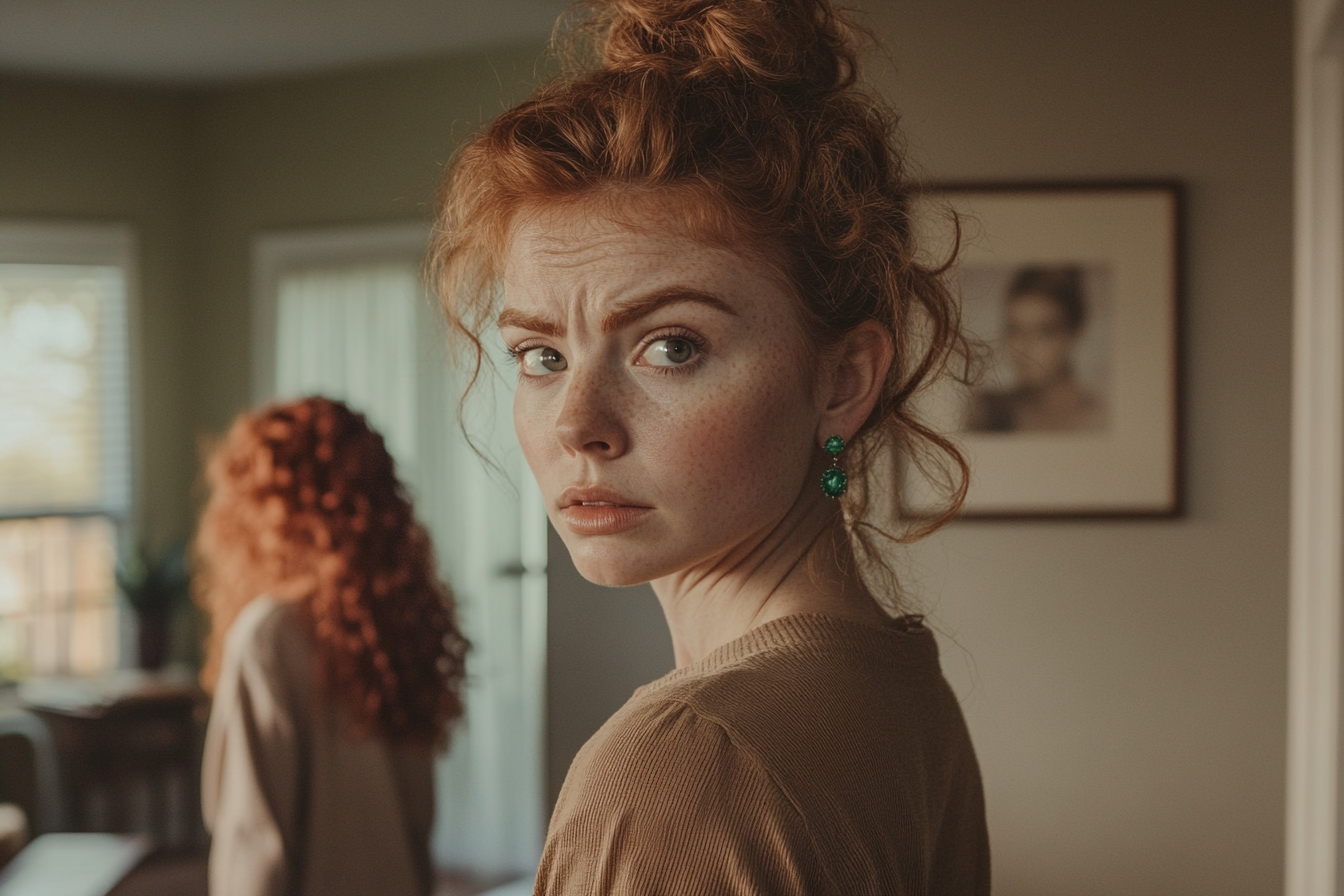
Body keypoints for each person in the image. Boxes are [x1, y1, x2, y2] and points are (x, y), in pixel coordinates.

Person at [432, 0, 990, 892]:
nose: (578, 422)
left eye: (672, 346)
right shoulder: (897, 680)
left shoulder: (680, 767)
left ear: (842, 379)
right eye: (540, 355)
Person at [195, 396, 468, 896]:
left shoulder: (268, 635)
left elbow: (254, 841)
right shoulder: (393, 625)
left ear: (262, 504)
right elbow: (416, 820)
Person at [965, 265, 1106, 433]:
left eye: (1043, 332)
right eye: (1015, 331)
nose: (1025, 347)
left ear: (1073, 333)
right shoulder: (987, 413)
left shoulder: (1099, 420)